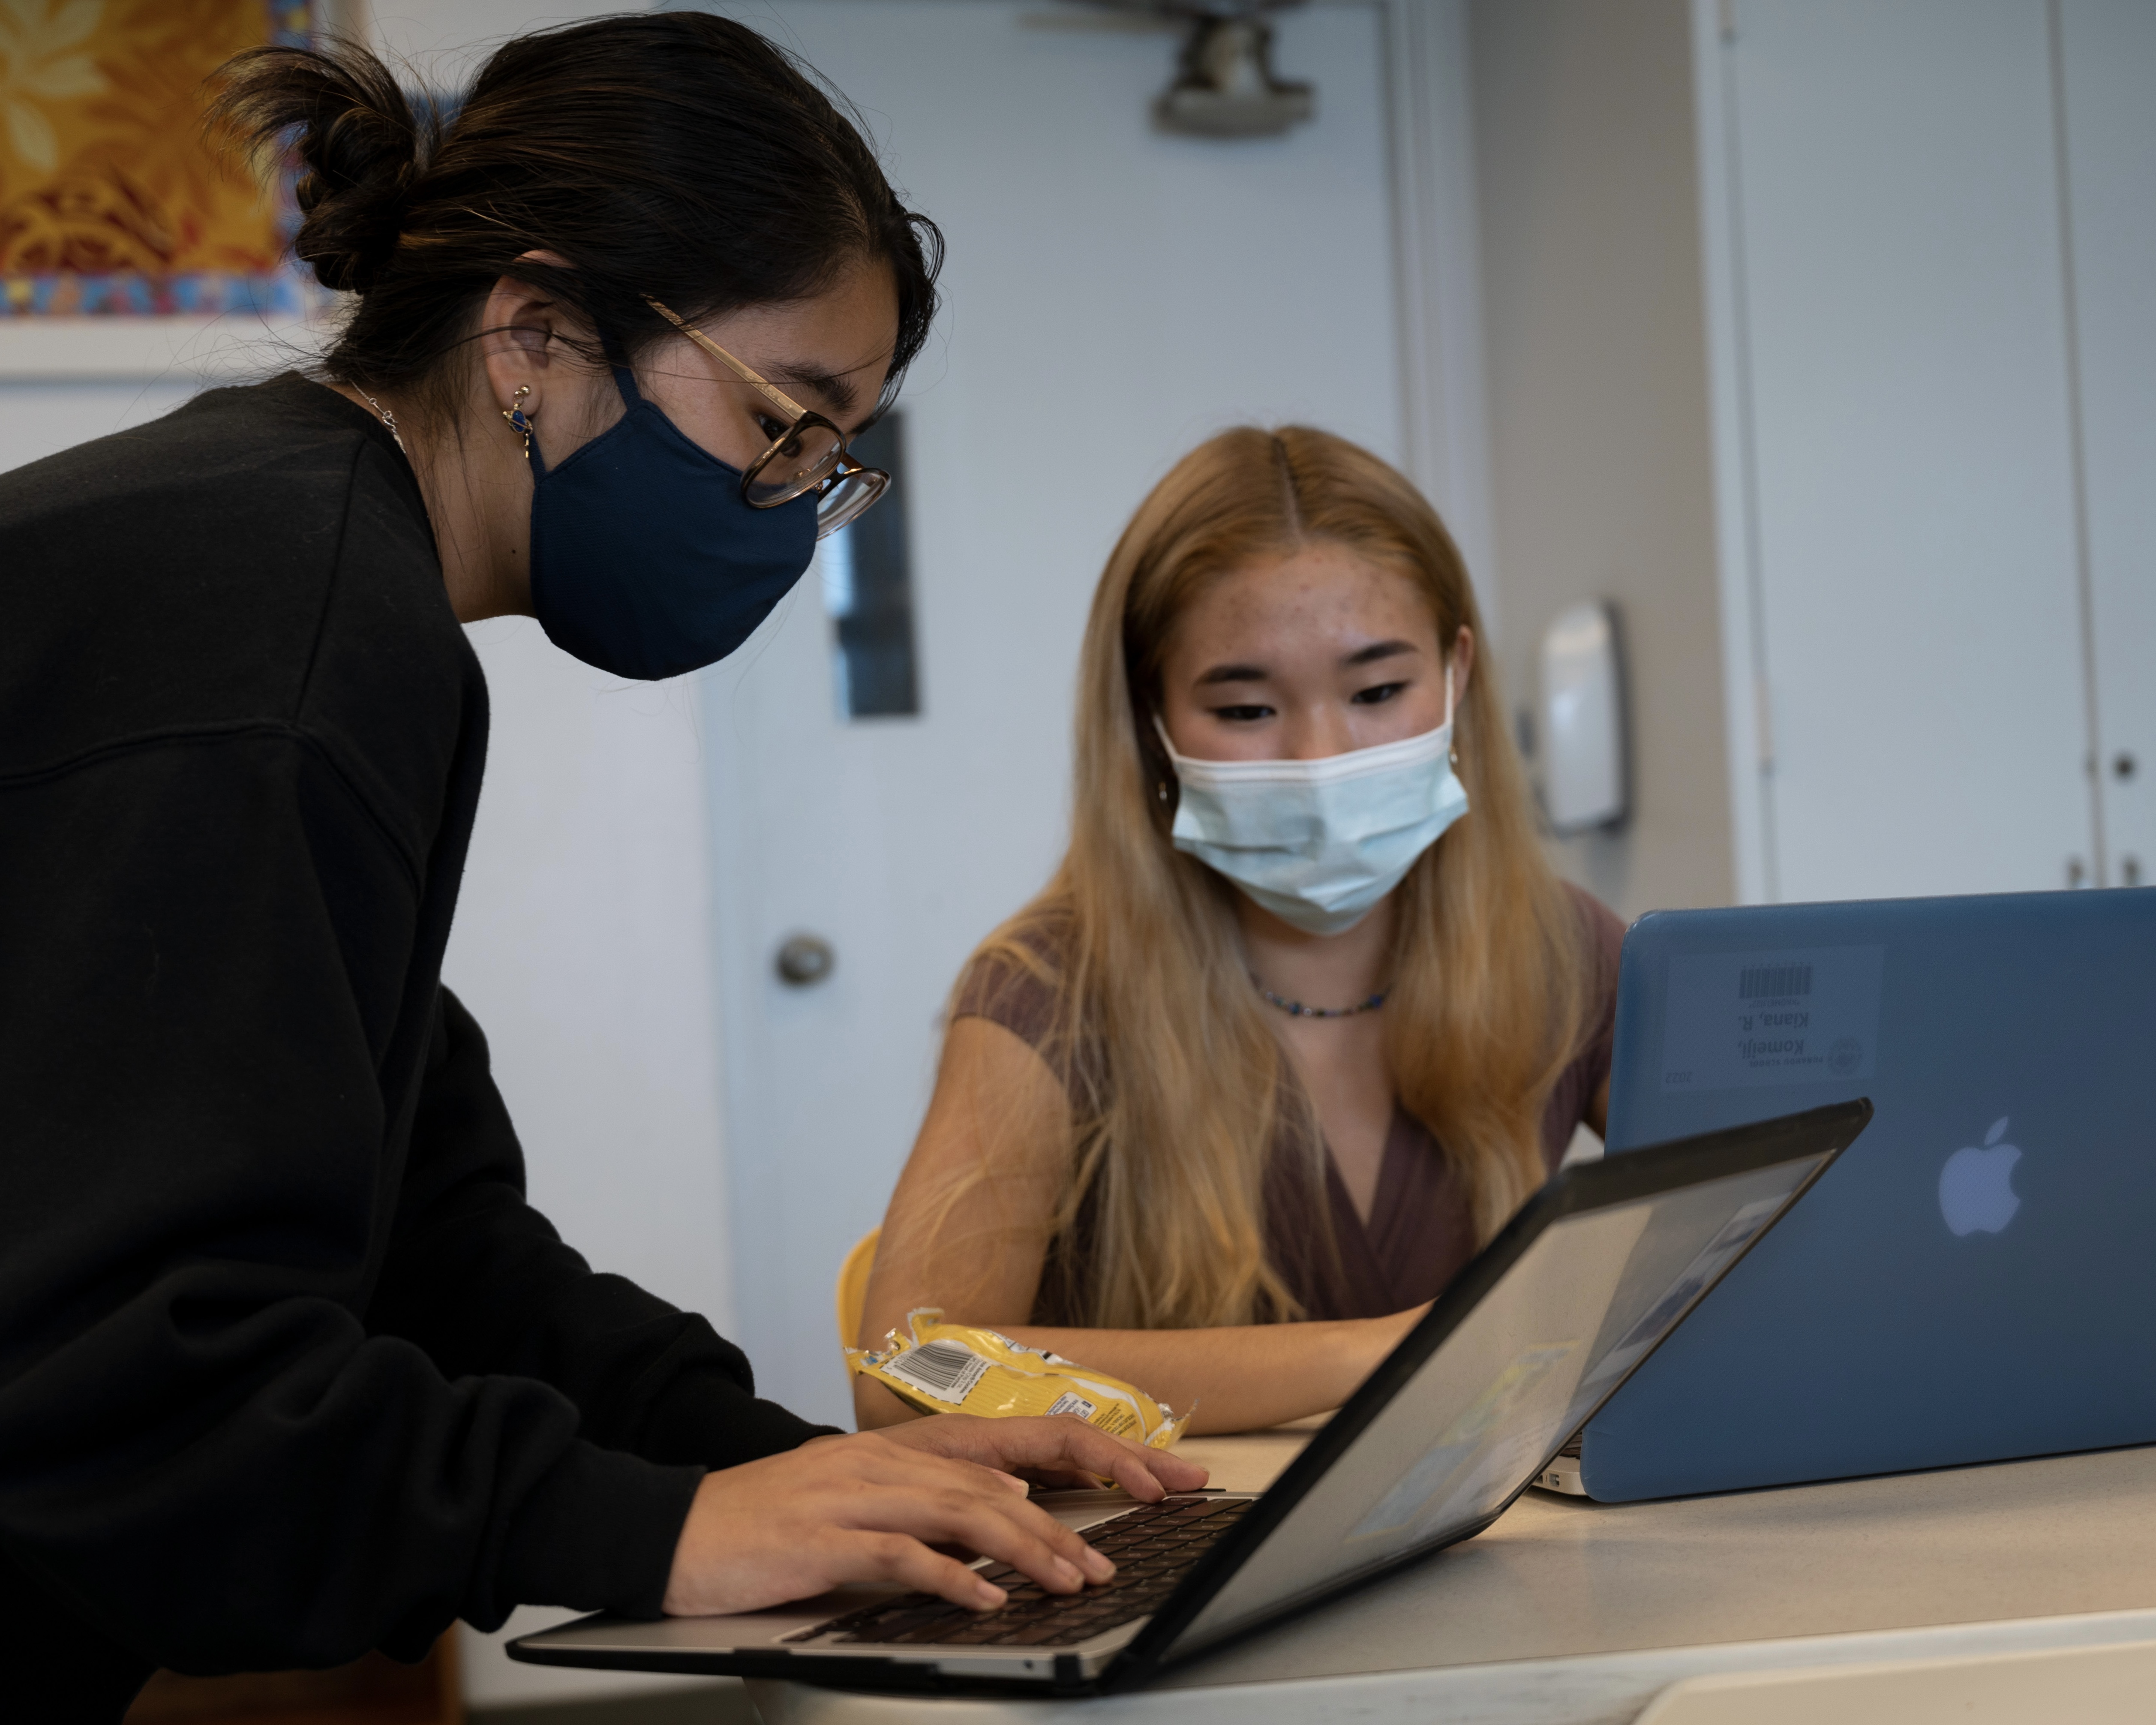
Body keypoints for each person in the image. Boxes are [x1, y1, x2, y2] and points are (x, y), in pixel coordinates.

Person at [0, 18, 1200, 1718]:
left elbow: (436, 1249)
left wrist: (799, 1475)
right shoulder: (288, 630)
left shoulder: (297, 562)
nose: (790, 502)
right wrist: (661, 1530)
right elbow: (138, 1393)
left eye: (826, 463)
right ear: (538, 334)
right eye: (785, 424)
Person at [858, 427, 1622, 1436]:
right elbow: (911, 1375)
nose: (1318, 756)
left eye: (1380, 692)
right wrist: (1388, 1352)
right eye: (1248, 707)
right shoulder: (1045, 994)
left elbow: (1763, 1237)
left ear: (1458, 674)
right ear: (1153, 719)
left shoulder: (1564, 951)